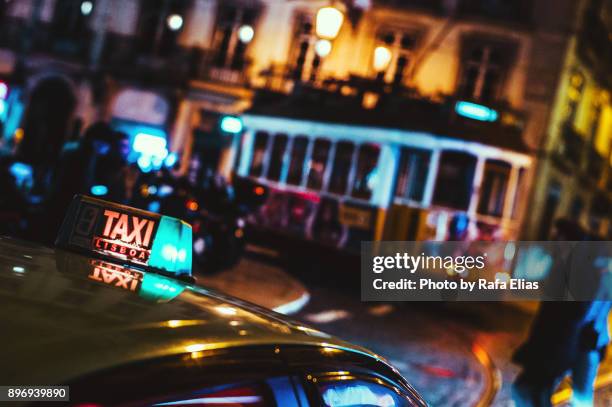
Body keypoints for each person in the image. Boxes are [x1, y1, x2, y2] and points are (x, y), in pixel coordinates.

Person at [512, 219, 611, 406]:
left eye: (557, 237)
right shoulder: (577, 265)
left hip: (583, 343)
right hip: (579, 343)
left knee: (576, 397)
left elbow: (581, 311)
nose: (553, 239)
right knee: (552, 392)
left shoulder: (584, 270)